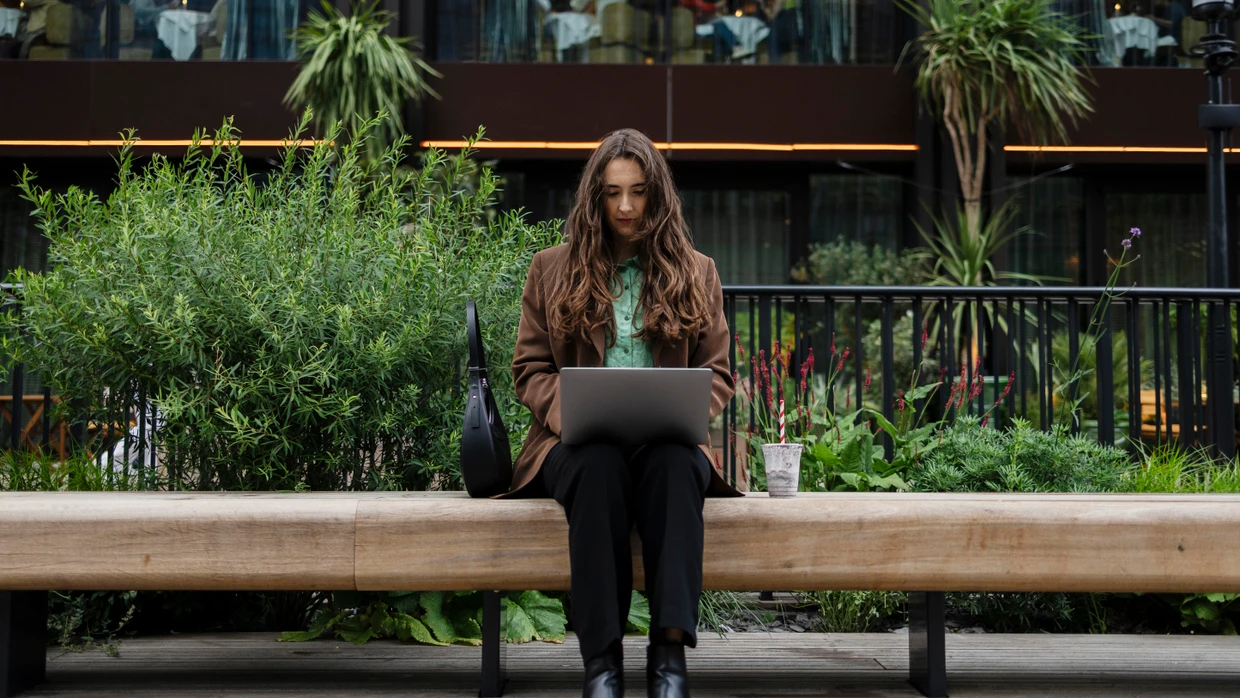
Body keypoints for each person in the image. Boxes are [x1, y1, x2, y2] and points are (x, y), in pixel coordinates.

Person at [507, 128, 740, 698]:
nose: (627, 207)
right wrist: (569, 413)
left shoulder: (696, 271)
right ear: (595, 199)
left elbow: (718, 371)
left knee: (676, 464)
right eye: (613, 194)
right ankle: (602, 665)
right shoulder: (552, 268)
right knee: (597, 465)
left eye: (638, 192)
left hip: (663, 442)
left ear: (658, 197)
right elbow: (530, 368)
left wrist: (689, 412)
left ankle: (668, 662)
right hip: (576, 444)